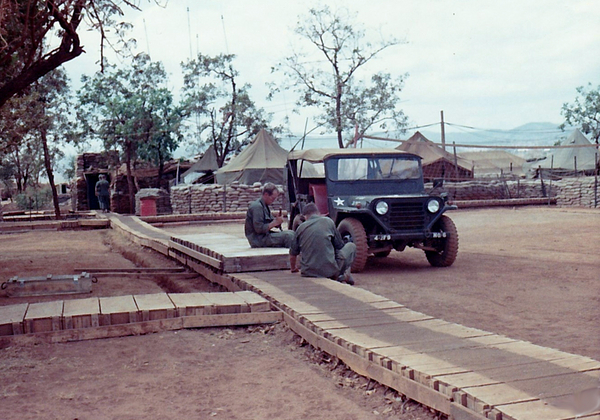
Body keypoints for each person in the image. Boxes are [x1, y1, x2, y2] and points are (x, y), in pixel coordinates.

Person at [289, 203, 356, 285]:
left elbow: (292, 254)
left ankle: (340, 275)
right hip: (328, 272)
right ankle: (340, 275)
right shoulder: (328, 221)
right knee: (351, 246)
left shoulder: (300, 228)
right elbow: (339, 246)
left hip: (307, 272)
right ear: (318, 213)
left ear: (305, 216)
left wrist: (293, 268)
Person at [245, 183, 294, 248]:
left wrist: (278, 221)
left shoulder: (264, 206)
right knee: (288, 236)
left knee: (292, 233)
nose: (273, 201)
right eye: (272, 198)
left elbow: (270, 222)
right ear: (266, 195)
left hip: (263, 236)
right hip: (258, 240)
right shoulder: (257, 207)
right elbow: (259, 229)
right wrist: (275, 223)